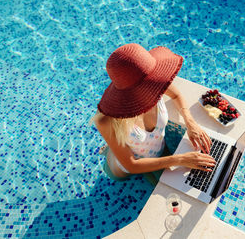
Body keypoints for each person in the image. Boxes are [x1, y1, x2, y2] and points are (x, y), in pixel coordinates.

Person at [91, 43, 215, 183]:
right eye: (151, 81)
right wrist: (180, 159)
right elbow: (131, 165)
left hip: (154, 151)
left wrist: (190, 123)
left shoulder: (155, 84)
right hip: (123, 168)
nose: (156, 85)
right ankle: (111, 150)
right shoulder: (105, 120)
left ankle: (116, 146)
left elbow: (176, 95)